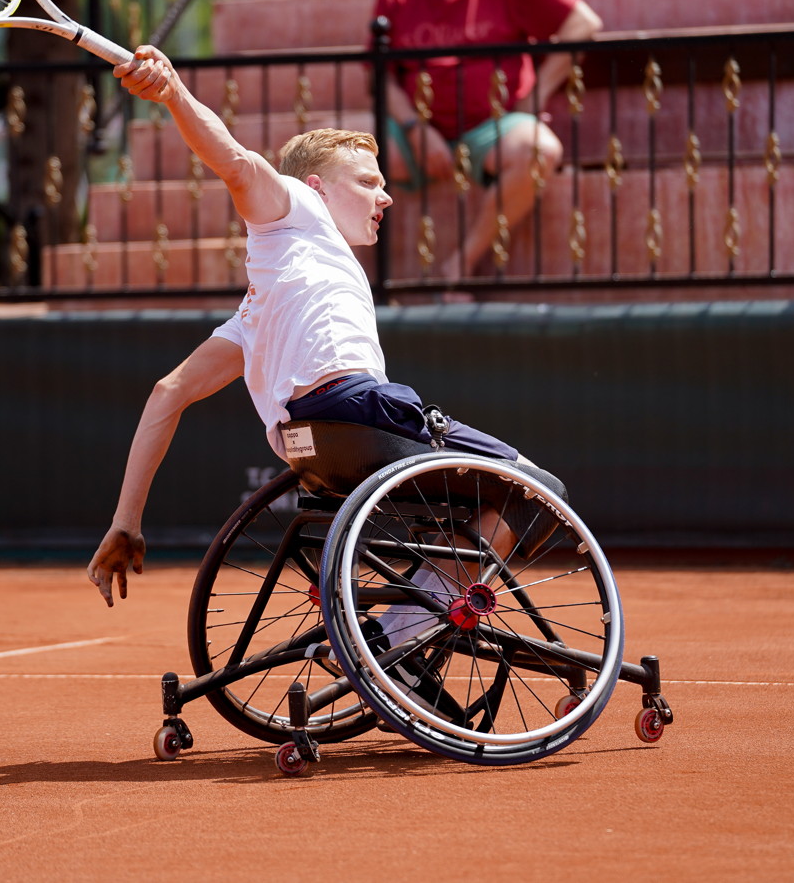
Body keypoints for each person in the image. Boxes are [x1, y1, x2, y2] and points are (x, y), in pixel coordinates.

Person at [87, 44, 539, 610]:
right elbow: (237, 164)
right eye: (367, 181)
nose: (385, 195)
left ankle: (396, 629)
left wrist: (126, 520)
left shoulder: (259, 308)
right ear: (317, 187)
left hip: (310, 450)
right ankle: (399, 629)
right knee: (536, 489)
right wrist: (174, 92)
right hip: (357, 414)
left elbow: (168, 392)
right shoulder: (298, 207)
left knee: (486, 501)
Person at [373, 0, 603, 278]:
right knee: (335, 159)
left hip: (495, 129)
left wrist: (536, 97)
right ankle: (351, 283)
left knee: (540, 150)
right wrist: (414, 128)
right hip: (416, 131)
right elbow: (380, 77)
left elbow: (584, 23)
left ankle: (461, 264)